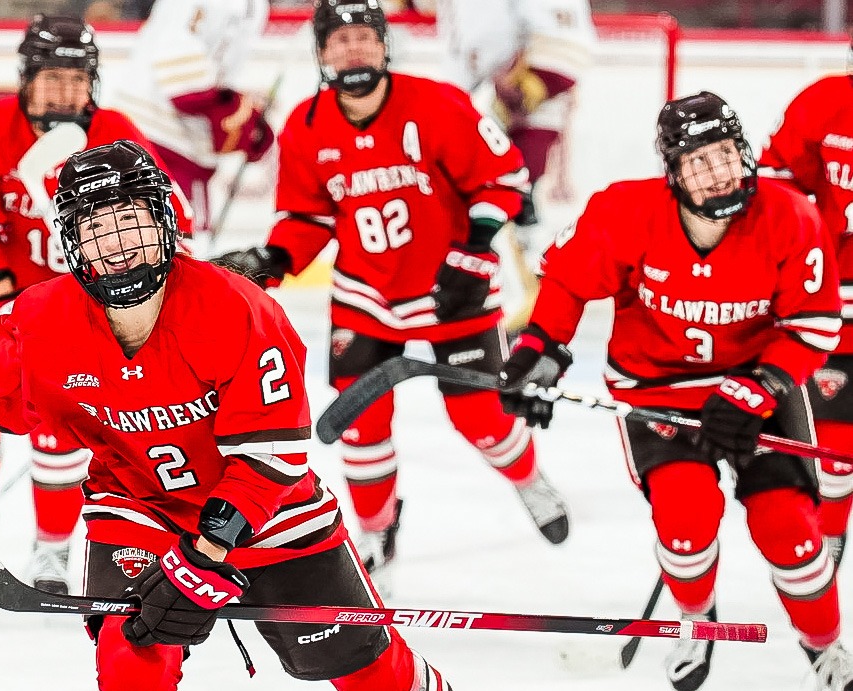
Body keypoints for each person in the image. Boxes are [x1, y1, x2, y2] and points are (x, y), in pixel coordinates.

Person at [0, 140, 452, 691]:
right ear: (72, 243)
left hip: (274, 514)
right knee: (129, 661)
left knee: (369, 671)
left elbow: (272, 457)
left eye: (131, 220)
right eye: (96, 228)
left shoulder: (237, 309)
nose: (117, 245)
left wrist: (205, 552)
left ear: (163, 222)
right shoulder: (41, 321)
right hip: (139, 507)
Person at [215, 0, 571, 593]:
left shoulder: (436, 103)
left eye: (364, 37)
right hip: (366, 294)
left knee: (482, 416)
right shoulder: (306, 125)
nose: (353, 49)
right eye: (339, 40)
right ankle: (377, 528)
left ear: (385, 46)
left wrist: (476, 250)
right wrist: (273, 259)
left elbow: (502, 178)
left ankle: (529, 479)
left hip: (451, 284)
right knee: (361, 423)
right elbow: (307, 217)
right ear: (321, 53)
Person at [497, 91, 846, 691]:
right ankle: (695, 620)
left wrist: (757, 389)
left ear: (746, 152)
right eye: (699, 161)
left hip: (757, 384)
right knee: (685, 521)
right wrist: (540, 351)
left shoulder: (789, 216)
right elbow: (567, 281)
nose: (719, 173)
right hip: (658, 388)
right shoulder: (626, 211)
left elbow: (813, 325)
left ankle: (825, 648)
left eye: (727, 155)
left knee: (788, 529)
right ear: (673, 172)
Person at [0, 14, 193, 595]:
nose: (66, 92)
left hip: (82, 317)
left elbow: (169, 219)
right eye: (53, 78)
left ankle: (51, 551)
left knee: (62, 437)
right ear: (26, 79)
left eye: (78, 79)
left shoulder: (117, 133)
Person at [436, 0, 597, 332]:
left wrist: (526, 86)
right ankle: (514, 309)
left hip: (516, 100)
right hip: (481, 94)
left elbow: (567, 47)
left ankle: (531, 313)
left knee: (510, 203)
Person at [759, 73, 853, 568]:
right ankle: (830, 538)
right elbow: (777, 182)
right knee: (835, 441)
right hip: (838, 300)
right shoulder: (825, 101)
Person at [107, 0, 273, 245]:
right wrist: (230, 110)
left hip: (175, 145)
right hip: (157, 140)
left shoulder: (255, 6)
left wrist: (240, 116)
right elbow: (184, 85)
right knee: (178, 245)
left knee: (181, 247)